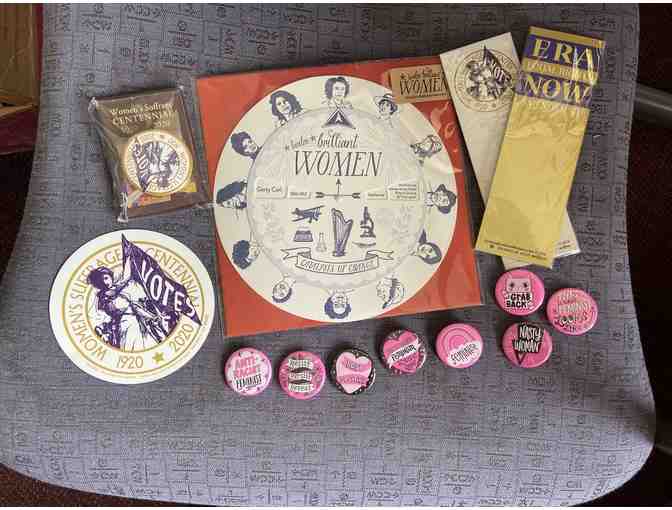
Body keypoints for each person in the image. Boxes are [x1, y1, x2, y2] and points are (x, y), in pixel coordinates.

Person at [87, 266, 171, 351]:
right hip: (125, 325)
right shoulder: (104, 296)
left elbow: (135, 308)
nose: (105, 282)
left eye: (106, 278)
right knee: (130, 345)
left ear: (111, 277)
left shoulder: (121, 292)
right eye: (101, 280)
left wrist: (152, 317)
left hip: (137, 323)